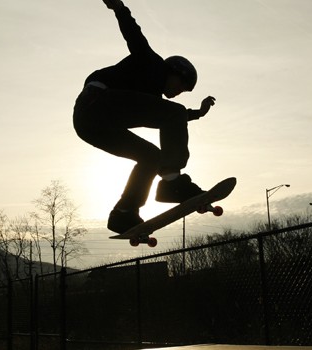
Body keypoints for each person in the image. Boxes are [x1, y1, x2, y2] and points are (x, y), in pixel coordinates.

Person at [73, 0, 216, 234]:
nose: (178, 93)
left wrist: (197, 114)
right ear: (173, 72)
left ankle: (124, 213)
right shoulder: (152, 64)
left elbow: (167, 116)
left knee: (151, 157)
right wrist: (119, 7)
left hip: (90, 126)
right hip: (97, 102)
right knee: (174, 113)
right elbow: (134, 36)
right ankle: (172, 183)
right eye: (181, 86)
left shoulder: (152, 96)